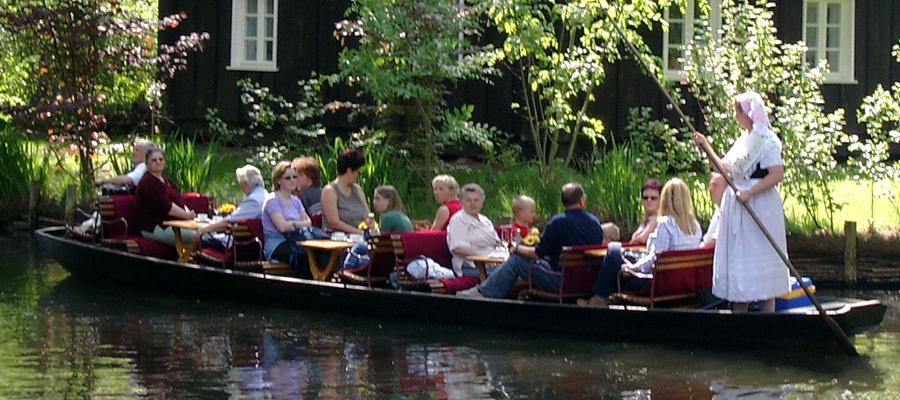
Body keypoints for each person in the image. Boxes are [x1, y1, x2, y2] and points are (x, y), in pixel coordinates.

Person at [692, 91, 790, 313]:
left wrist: (751, 193)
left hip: (759, 204)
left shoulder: (766, 141)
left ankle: (767, 317)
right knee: (740, 267)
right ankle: (740, 315)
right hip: (738, 205)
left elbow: (776, 174)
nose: (735, 116)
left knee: (761, 266)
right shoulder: (743, 141)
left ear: (748, 113)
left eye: (737, 111)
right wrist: (706, 146)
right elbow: (724, 170)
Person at [457, 182, 604, 298]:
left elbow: (537, 254)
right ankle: (489, 290)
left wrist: (517, 248)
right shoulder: (594, 222)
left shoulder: (558, 222)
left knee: (516, 260)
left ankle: (485, 293)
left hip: (562, 281)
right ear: (582, 200)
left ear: (563, 201)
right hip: (587, 282)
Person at [580, 178, 702, 307]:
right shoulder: (695, 225)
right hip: (683, 283)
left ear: (664, 198)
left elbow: (654, 258)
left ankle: (597, 300)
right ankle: (600, 299)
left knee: (613, 250)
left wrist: (634, 268)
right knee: (619, 255)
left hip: (657, 284)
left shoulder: (665, 224)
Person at [193, 164, 268, 251]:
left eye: (240, 184)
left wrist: (202, 230)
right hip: (254, 243)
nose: (240, 187)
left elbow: (228, 221)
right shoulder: (264, 194)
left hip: (244, 248)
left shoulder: (253, 201)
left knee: (200, 240)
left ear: (245, 184)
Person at [135, 147, 197, 246]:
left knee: (208, 233)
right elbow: (166, 207)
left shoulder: (167, 181)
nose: (158, 162)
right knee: (197, 235)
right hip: (155, 227)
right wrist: (186, 216)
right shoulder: (149, 182)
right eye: (154, 160)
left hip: (174, 224)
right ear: (147, 163)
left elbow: (179, 200)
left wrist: (188, 212)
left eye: (160, 159)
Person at [445, 184, 509, 279]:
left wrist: (503, 255)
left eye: (476, 200)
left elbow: (497, 242)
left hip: (494, 261)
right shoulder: (458, 220)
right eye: (468, 200)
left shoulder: (485, 220)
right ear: (462, 202)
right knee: (509, 273)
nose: (473, 204)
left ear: (481, 203)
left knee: (519, 266)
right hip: (471, 265)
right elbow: (457, 248)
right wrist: (486, 259)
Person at [262, 161, 313, 275]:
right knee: (304, 257)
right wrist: (298, 223)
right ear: (278, 180)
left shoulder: (296, 200)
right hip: (277, 244)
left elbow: (308, 222)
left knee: (317, 254)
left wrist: (293, 224)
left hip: (297, 240)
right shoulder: (272, 200)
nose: (292, 180)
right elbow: (283, 227)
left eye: (294, 177)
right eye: (288, 178)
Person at [321, 149, 369, 234]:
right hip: (338, 238)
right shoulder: (330, 191)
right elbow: (334, 223)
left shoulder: (357, 189)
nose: (359, 175)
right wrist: (359, 232)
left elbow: (366, 214)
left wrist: (370, 224)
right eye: (358, 172)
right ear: (349, 171)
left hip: (360, 236)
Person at [631, 178, 663, 244]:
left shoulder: (660, 220)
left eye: (653, 198)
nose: (649, 201)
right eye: (645, 197)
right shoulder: (645, 220)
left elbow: (640, 240)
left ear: (661, 200)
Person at [701, 173, 726, 249]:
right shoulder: (718, 210)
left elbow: (715, 242)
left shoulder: (726, 212)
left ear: (726, 189)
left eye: (715, 185)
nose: (710, 189)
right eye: (710, 185)